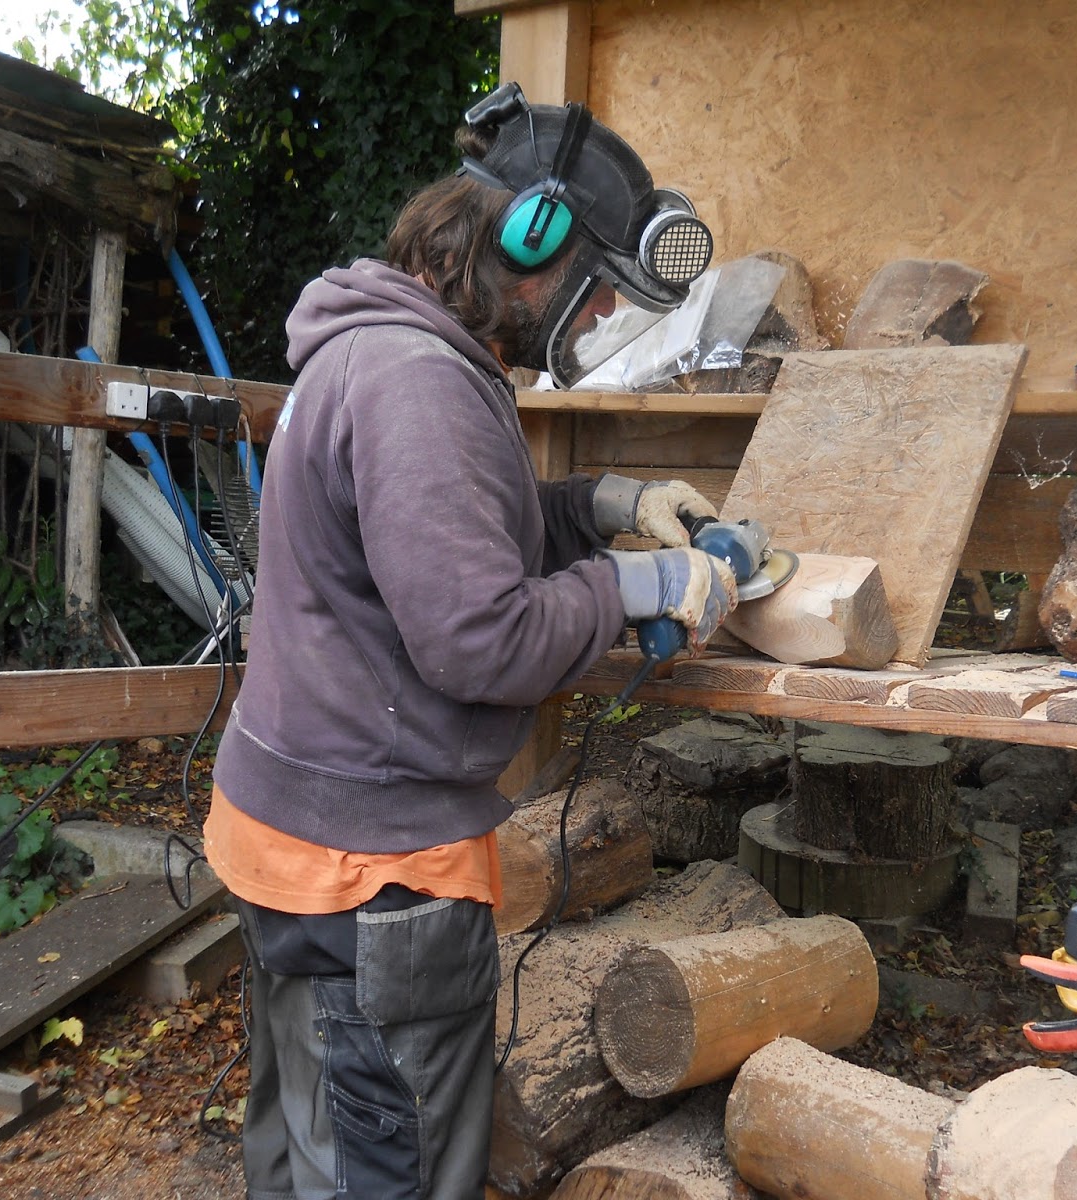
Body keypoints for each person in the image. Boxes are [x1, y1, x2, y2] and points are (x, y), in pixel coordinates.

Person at [202, 81, 736, 1200]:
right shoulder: (417, 382)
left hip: (294, 837)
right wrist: (643, 582)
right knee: (383, 1174)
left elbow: (444, 538)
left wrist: (601, 503)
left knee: (309, 1153)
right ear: (531, 240)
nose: (589, 326)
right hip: (372, 874)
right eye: (592, 300)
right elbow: (476, 635)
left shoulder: (378, 349)